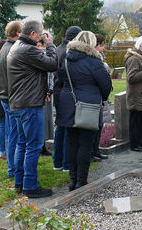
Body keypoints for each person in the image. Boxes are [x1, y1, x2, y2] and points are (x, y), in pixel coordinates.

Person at [7, 20, 58, 198]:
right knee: (34, 146)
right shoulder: (28, 49)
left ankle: (20, 182)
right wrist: (50, 45)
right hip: (29, 105)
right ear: (33, 34)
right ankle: (30, 186)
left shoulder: (17, 46)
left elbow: (32, 74)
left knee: (22, 144)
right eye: (41, 33)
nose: (42, 36)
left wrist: (44, 89)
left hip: (20, 103)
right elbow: (52, 64)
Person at [55, 31, 111, 191]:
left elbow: (60, 79)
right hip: (88, 105)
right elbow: (105, 84)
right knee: (85, 145)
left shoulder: (66, 58)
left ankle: (72, 180)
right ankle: (81, 181)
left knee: (72, 143)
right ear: (91, 43)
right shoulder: (93, 61)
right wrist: (100, 97)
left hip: (68, 103)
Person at [53, 26, 82, 172]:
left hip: (58, 91)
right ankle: (66, 163)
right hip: (65, 92)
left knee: (60, 127)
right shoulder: (68, 52)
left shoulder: (59, 49)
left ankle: (57, 161)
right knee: (66, 128)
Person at [0, 20, 23, 179]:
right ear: (18, 33)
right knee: (14, 134)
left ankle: (13, 167)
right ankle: (12, 169)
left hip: (6, 96)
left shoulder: (4, 47)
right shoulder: (12, 49)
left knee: (11, 133)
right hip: (10, 98)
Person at [91, 34, 110, 161]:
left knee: (99, 126)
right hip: (95, 96)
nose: (103, 48)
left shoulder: (99, 57)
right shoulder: (94, 58)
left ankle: (96, 150)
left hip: (101, 97)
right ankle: (92, 152)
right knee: (94, 127)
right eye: (101, 45)